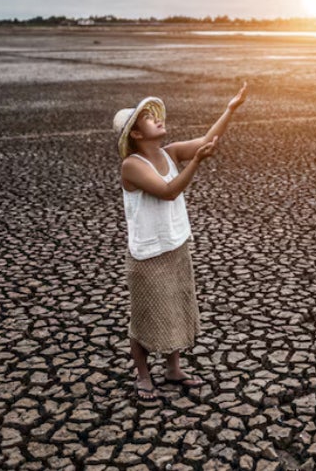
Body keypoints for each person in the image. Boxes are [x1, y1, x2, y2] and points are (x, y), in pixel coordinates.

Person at [112, 82, 248, 399]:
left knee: (176, 309)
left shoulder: (169, 152)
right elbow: (169, 190)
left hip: (175, 245)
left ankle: (173, 370)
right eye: (148, 118)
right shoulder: (132, 165)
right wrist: (197, 162)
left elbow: (206, 140)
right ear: (136, 133)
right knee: (144, 317)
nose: (158, 120)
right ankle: (143, 375)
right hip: (147, 255)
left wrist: (230, 109)